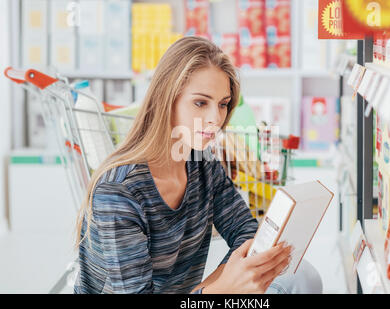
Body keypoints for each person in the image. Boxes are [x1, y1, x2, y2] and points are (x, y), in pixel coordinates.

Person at [73, 36, 321, 294]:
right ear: (165, 99)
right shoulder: (118, 192)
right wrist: (218, 291)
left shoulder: (202, 166)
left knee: (303, 276)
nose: (215, 118)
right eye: (200, 103)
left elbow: (245, 231)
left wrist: (212, 288)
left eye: (223, 104)